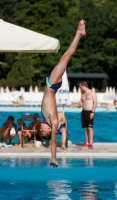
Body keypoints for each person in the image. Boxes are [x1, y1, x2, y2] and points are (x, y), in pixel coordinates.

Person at [41, 19, 86, 167]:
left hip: (52, 85)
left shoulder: (47, 120)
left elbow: (50, 138)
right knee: (66, 56)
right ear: (49, 130)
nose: (40, 129)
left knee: (65, 57)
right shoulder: (53, 123)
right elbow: (53, 140)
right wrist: (53, 158)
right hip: (52, 85)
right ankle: (79, 33)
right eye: (42, 131)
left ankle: (79, 34)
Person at [78, 81, 97, 149]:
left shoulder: (92, 93)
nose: (80, 88)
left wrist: (92, 112)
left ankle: (91, 142)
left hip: (90, 111)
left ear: (83, 86)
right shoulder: (83, 94)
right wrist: (79, 105)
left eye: (80, 87)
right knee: (85, 128)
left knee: (90, 128)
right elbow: (80, 103)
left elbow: (95, 103)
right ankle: (87, 142)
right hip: (83, 112)